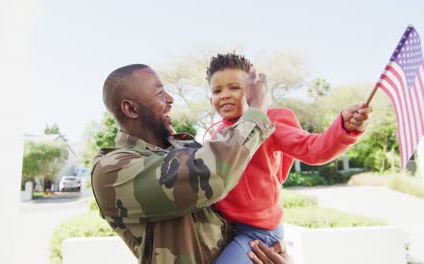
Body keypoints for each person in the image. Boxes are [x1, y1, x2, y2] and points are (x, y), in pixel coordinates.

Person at [91, 64, 291, 264]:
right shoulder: (112, 171)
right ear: (131, 108)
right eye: (160, 93)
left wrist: (269, 252)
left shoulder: (185, 146)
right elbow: (214, 173)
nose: (170, 99)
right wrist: (256, 110)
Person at [206, 53, 372, 264]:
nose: (225, 95)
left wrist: (344, 128)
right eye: (217, 90)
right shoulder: (216, 135)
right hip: (225, 229)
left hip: (258, 233)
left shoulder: (270, 121)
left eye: (235, 87)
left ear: (254, 92)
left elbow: (314, 149)